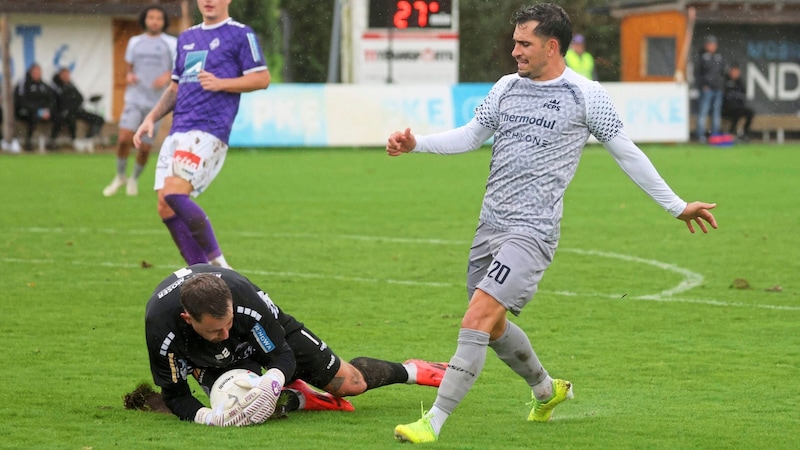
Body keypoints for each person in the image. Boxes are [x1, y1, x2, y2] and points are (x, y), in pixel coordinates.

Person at [385, 3, 718, 444]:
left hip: (533, 232)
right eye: (515, 42)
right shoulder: (507, 87)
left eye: (525, 44)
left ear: (552, 46)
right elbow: (470, 136)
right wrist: (417, 144)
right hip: (490, 227)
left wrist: (676, 206)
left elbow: (627, 153)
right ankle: (546, 389)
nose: (515, 51)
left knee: (477, 317)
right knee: (494, 325)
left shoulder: (586, 95)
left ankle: (434, 422)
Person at [144, 264, 447, 426]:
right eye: (214, 329)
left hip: (268, 334)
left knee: (350, 383)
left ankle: (411, 370)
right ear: (187, 318)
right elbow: (175, 394)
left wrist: (274, 377)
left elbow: (279, 353)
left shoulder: (244, 299)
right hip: (208, 360)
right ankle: (299, 397)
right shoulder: (161, 327)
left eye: (227, 323)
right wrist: (209, 418)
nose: (224, 333)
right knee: (239, 406)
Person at [133, 0, 269, 269]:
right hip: (178, 129)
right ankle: (202, 274)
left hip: (210, 128)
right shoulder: (187, 38)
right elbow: (176, 88)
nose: (208, 1)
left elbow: (261, 78)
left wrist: (222, 83)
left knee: (174, 193)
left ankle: (220, 266)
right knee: (165, 205)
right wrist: (151, 117)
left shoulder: (240, 34)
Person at [103, 5, 177, 197]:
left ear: (164, 22)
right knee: (124, 139)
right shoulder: (135, 42)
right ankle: (120, 176)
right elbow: (128, 67)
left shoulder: (171, 43)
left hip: (157, 103)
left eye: (158, 18)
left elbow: (178, 69)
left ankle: (133, 179)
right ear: (145, 19)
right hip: (135, 98)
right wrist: (129, 76)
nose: (154, 21)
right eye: (151, 17)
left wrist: (167, 76)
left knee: (144, 146)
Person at [50, 67, 105, 148]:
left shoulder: (71, 85)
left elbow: (80, 97)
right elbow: (61, 100)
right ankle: (73, 140)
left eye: (67, 75)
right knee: (70, 118)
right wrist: (71, 102)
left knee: (99, 119)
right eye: (64, 75)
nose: (66, 77)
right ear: (60, 75)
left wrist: (73, 101)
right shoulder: (56, 87)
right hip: (66, 112)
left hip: (78, 110)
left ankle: (87, 139)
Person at [13, 63, 56, 151]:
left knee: (60, 115)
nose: (37, 74)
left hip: (43, 112)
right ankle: (28, 142)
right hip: (26, 111)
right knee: (33, 117)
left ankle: (52, 142)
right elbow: (21, 101)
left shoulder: (44, 85)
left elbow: (52, 99)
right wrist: (37, 110)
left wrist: (47, 110)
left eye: (39, 72)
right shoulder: (24, 83)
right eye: (35, 72)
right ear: (30, 72)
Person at [694, 35, 726, 143]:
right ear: (706, 45)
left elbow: (722, 73)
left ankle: (715, 136)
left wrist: (721, 86)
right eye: (710, 44)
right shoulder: (702, 58)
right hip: (707, 89)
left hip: (718, 89)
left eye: (713, 45)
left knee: (716, 113)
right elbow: (697, 74)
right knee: (703, 112)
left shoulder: (719, 57)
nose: (712, 47)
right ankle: (701, 136)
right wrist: (703, 85)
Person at [722, 63, 754, 143]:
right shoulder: (725, 81)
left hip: (738, 108)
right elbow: (725, 96)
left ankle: (745, 133)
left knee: (749, 113)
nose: (735, 73)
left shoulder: (740, 82)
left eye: (737, 72)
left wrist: (736, 96)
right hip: (726, 109)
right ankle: (732, 132)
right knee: (737, 112)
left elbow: (743, 95)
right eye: (734, 71)